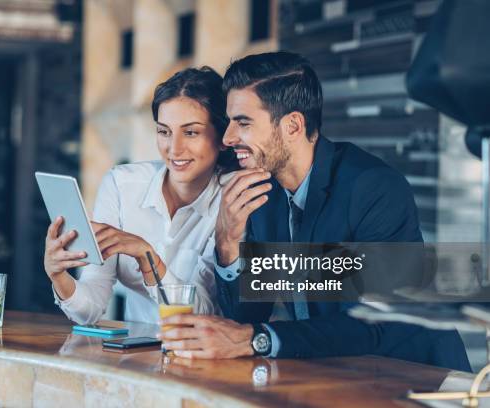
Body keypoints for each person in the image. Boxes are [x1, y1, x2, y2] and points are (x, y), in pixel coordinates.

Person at [159, 51, 471, 371]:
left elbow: (378, 322)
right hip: (336, 378)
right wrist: (228, 244)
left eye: (243, 123)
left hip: (417, 380)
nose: (227, 138)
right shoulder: (263, 195)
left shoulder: (373, 188)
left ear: (293, 125)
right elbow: (246, 319)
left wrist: (258, 339)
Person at [43, 67, 237, 324]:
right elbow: (89, 310)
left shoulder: (234, 200)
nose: (174, 149)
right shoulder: (122, 185)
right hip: (135, 358)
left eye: (191, 132)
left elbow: (204, 311)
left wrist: (148, 258)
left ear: (223, 137)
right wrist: (59, 276)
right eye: (164, 131)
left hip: (204, 357)